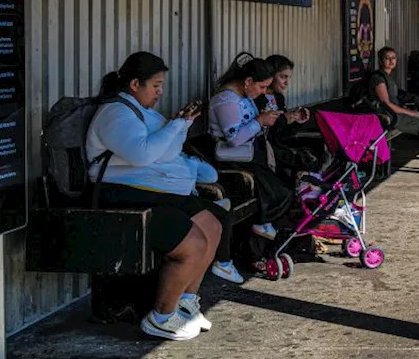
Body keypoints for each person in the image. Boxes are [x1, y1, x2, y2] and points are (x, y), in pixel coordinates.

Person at [86, 52, 231, 341]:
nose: (160, 92)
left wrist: (181, 125)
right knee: (193, 243)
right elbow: (142, 154)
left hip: (152, 191)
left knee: (213, 226)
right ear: (135, 83)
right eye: (156, 85)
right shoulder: (116, 113)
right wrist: (176, 126)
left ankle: (186, 302)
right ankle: (161, 316)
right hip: (121, 196)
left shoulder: (141, 111)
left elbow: (165, 150)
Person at [209, 53, 294, 243]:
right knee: (278, 190)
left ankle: (266, 225)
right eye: (262, 86)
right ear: (248, 81)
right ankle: (262, 223)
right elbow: (234, 139)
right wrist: (259, 121)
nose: (264, 92)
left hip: (252, 154)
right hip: (235, 159)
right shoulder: (226, 100)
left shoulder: (243, 96)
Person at [370, 46, 419, 175]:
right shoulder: (378, 78)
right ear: (380, 60)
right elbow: (386, 103)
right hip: (391, 117)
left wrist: (405, 109)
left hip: (396, 114)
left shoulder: (387, 77)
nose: (391, 61)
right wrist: (410, 113)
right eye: (387, 58)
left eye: (393, 58)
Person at [256, 54, 319, 175]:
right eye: (283, 77)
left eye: (288, 78)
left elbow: (283, 134)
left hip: (278, 146)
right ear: (270, 74)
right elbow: (265, 133)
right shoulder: (257, 98)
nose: (286, 83)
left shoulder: (278, 98)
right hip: (263, 148)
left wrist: (296, 122)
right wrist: (284, 119)